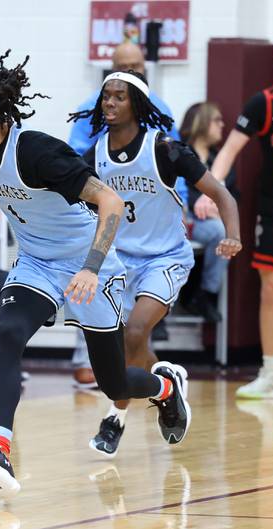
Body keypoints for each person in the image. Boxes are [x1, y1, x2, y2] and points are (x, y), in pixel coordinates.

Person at [0, 51, 191, 498]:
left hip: (88, 264)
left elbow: (109, 202)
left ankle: (166, 386)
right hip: (35, 263)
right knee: (9, 333)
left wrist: (92, 267)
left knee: (111, 381)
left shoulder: (37, 151)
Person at [68, 71, 241, 457]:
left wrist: (232, 234)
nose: (109, 103)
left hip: (164, 258)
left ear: (138, 105)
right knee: (120, 343)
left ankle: (115, 418)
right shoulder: (93, 156)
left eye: (119, 97)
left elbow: (221, 193)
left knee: (134, 332)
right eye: (105, 97)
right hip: (118, 261)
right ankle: (168, 384)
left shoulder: (165, 149)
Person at [69, 41, 180, 386]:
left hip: (146, 218)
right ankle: (84, 356)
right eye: (124, 66)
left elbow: (175, 163)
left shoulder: (158, 108)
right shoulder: (92, 109)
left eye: (137, 66)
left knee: (133, 330)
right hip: (102, 211)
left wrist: (184, 201)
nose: (132, 71)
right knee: (88, 277)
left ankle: (153, 385)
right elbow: (74, 160)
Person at [210, 34, 273, 400]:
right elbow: (230, 150)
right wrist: (213, 191)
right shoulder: (264, 103)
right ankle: (271, 374)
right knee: (272, 291)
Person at [179, 102, 239, 321]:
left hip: (211, 223)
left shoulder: (220, 160)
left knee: (223, 233)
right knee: (217, 231)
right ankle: (193, 296)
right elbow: (178, 189)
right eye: (217, 120)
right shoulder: (180, 153)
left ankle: (206, 294)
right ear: (202, 123)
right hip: (183, 220)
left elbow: (233, 195)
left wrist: (219, 209)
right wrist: (200, 205)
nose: (222, 125)